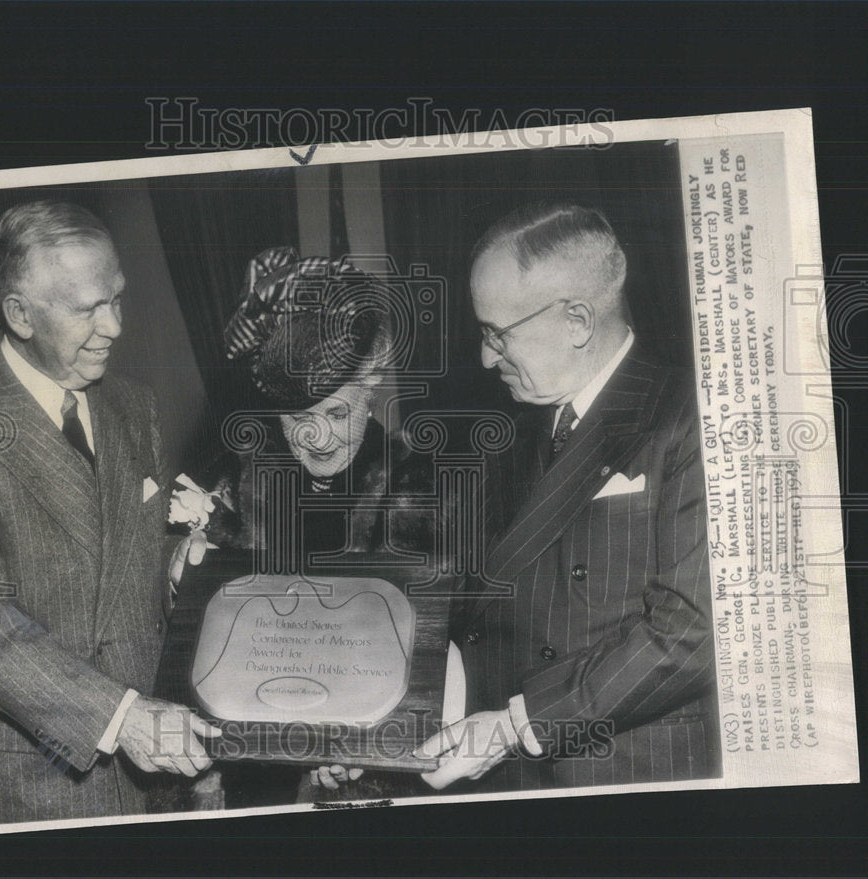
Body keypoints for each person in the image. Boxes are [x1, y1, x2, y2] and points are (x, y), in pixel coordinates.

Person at [0, 200, 219, 826]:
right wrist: (122, 715)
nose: (115, 326)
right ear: (19, 315)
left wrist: (181, 562)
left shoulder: (134, 405)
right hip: (29, 782)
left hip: (147, 777)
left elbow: (125, 558)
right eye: (88, 308)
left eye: (117, 298)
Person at [416, 203, 717, 791]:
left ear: (578, 321)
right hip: (494, 760)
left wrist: (516, 723)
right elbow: (471, 601)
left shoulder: (690, 416)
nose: (484, 357)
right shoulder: (515, 421)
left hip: (617, 769)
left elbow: (693, 630)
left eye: (497, 334)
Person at [178, 247, 437, 805]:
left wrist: (356, 754)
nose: (316, 438)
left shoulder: (413, 486)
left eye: (337, 414)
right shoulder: (239, 470)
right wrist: (179, 570)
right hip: (248, 747)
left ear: (371, 394)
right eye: (298, 418)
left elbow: (427, 663)